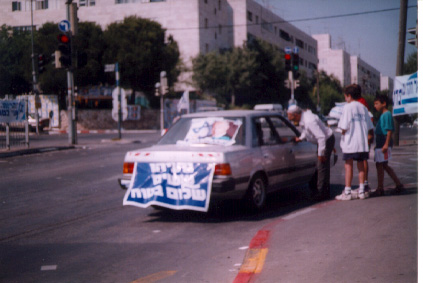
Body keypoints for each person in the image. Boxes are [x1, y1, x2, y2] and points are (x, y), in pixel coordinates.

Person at [287, 105, 335, 201]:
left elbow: (321, 137)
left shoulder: (309, 121)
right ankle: (324, 191)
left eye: (289, 115)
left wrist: (321, 153)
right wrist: (300, 138)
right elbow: (306, 131)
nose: (288, 117)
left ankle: (321, 193)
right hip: (324, 139)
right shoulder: (304, 118)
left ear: (296, 115)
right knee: (322, 166)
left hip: (325, 140)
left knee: (322, 166)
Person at [336, 84, 374, 200]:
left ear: (349, 96)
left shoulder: (347, 108)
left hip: (350, 142)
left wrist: (342, 132)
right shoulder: (363, 108)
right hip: (362, 143)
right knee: (361, 166)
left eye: (345, 96)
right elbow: (369, 126)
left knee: (348, 166)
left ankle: (347, 192)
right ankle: (362, 191)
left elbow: (343, 127)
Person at [373, 94, 403, 196]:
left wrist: (386, 144)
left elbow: (389, 130)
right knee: (383, 165)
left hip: (383, 141)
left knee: (380, 165)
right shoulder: (383, 114)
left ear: (384, 103)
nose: (375, 106)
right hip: (381, 142)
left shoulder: (387, 114)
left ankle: (380, 188)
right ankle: (398, 184)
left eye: (377, 103)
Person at [354, 86, 374, 194]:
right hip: (365, 133)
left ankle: (365, 183)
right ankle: (364, 183)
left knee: (363, 159)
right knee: (362, 159)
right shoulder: (362, 102)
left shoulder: (360, 103)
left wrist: (369, 135)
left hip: (365, 134)